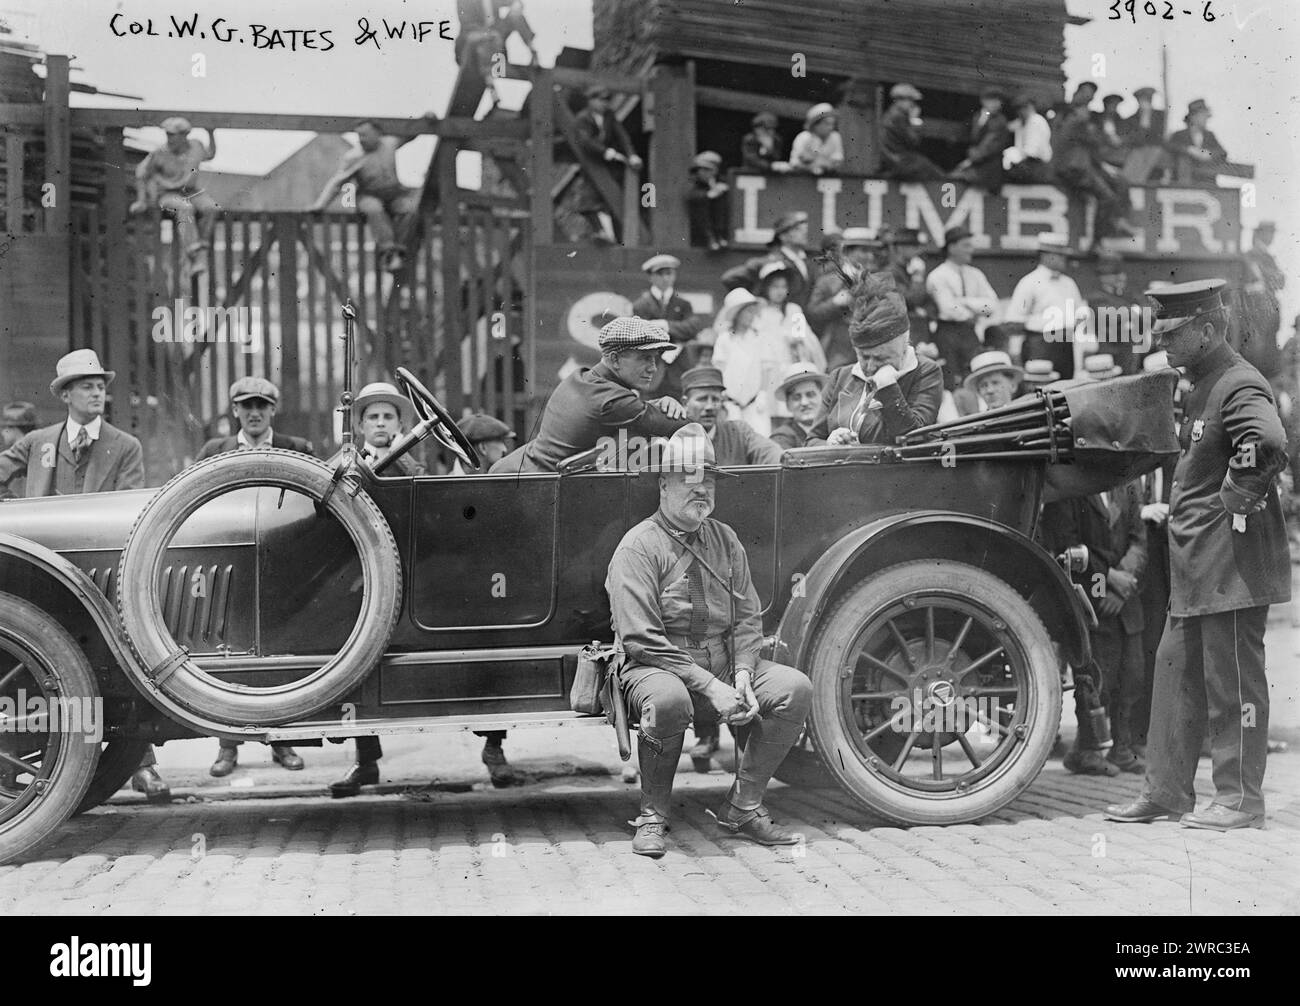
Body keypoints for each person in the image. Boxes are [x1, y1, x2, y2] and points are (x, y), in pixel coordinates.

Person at [1106, 279, 1291, 831]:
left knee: (1231, 683)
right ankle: (1165, 792)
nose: (1163, 342)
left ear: (1208, 331)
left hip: (1230, 565)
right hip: (1196, 568)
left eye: (1174, 333)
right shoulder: (1200, 383)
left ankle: (1239, 800)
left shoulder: (1237, 385)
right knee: (1173, 676)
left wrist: (1233, 501)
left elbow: (1269, 443)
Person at [605, 423, 811, 856]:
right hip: (656, 668)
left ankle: (744, 806)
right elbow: (640, 639)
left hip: (721, 666)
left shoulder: (725, 539)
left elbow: (747, 617)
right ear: (663, 485)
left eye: (710, 481)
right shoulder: (638, 547)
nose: (702, 491)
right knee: (667, 702)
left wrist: (740, 675)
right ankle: (652, 815)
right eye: (689, 479)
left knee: (794, 688)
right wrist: (709, 686)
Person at [0, 351, 166, 803]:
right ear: (67, 394)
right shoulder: (39, 442)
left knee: (122, 666)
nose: (98, 393)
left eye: (100, 385)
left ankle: (142, 766)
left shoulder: (123, 445)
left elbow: (134, 507)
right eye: (88, 386)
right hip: (41, 576)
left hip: (102, 571)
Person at [199, 377, 311, 777]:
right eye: (247, 405)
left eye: (262, 405)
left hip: (283, 562)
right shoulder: (214, 452)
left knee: (283, 653)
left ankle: (284, 743)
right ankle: (227, 747)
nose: (255, 412)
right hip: (234, 562)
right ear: (234, 411)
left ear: (273, 409)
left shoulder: (297, 449)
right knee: (230, 654)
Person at [491, 317, 687, 474]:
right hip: (533, 491)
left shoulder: (582, 378)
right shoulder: (613, 401)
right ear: (615, 359)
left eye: (654, 359)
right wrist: (668, 407)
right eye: (645, 358)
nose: (653, 368)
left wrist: (658, 403)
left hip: (513, 472)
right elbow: (685, 426)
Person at [811, 272, 944, 445]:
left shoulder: (925, 372)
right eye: (864, 357)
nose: (871, 366)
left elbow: (914, 438)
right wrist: (830, 444)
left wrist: (888, 387)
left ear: (904, 345)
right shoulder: (840, 377)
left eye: (882, 358)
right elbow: (811, 440)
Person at [309, 120, 421, 273]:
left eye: (365, 135)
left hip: (393, 193)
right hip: (369, 194)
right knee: (373, 208)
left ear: (377, 134)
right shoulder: (353, 156)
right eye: (359, 135)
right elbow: (337, 182)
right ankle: (388, 252)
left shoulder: (390, 143)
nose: (361, 139)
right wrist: (321, 204)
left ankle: (400, 250)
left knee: (408, 208)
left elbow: (410, 134)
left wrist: (426, 119)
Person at [130, 117, 217, 273]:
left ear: (184, 135)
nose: (169, 138)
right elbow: (141, 173)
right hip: (168, 194)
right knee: (185, 208)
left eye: (172, 135)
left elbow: (210, 154)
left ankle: (202, 245)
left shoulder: (196, 146)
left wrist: (211, 134)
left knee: (211, 207)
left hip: (191, 191)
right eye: (167, 134)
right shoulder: (160, 153)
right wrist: (142, 200)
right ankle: (194, 255)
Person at [1005, 232, 1088, 381]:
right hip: (1040, 345)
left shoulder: (1069, 283)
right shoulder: (1029, 282)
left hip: (1065, 346)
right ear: (1045, 255)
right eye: (1060, 255)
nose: (1064, 259)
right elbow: (1014, 321)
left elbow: (1080, 314)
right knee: (1040, 391)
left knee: (1065, 391)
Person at [1052, 94, 1135, 242]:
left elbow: (1092, 149)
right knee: (1107, 197)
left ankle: (1119, 220)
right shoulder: (1075, 124)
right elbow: (1096, 142)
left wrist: (1104, 166)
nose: (1087, 113)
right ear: (1075, 111)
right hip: (1076, 171)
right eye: (1084, 109)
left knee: (1120, 181)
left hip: (1081, 168)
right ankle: (1098, 241)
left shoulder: (1072, 125)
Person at [925, 227, 1000, 389]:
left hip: (970, 333)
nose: (970, 250)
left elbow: (992, 305)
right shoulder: (938, 276)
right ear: (952, 248)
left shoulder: (976, 274)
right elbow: (948, 309)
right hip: (947, 334)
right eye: (966, 245)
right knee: (951, 383)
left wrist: (964, 301)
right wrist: (974, 307)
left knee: (974, 376)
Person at [754, 262, 827, 424]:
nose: (779, 291)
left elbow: (805, 339)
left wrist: (796, 339)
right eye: (774, 286)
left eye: (783, 286)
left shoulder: (793, 310)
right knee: (770, 414)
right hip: (768, 369)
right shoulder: (760, 312)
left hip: (791, 364)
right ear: (766, 288)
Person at [569, 85, 642, 244]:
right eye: (601, 100)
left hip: (608, 166)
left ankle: (614, 236)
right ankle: (600, 231)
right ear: (591, 101)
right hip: (592, 164)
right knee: (586, 201)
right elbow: (586, 141)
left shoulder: (609, 116)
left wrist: (632, 155)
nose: (605, 104)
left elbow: (622, 136)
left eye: (607, 100)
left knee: (612, 200)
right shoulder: (582, 119)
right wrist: (606, 152)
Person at [631, 253, 708, 400]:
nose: (666, 278)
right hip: (651, 371)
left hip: (679, 371)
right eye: (660, 274)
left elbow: (692, 328)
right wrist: (677, 332)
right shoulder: (641, 305)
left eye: (669, 273)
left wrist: (665, 325)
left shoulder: (683, 304)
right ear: (651, 277)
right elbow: (641, 336)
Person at [806, 228, 882, 370]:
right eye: (863, 251)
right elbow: (812, 314)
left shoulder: (877, 281)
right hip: (837, 354)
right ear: (847, 252)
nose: (869, 256)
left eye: (871, 252)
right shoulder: (828, 281)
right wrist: (835, 303)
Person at [679, 365, 782, 467]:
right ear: (685, 403)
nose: (709, 406)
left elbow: (769, 452)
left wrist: (785, 459)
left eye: (715, 399)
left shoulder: (739, 432)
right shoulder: (676, 438)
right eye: (702, 399)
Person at [710, 288, 772, 435]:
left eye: (753, 311)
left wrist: (762, 393)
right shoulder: (725, 339)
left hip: (754, 404)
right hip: (730, 404)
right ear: (737, 314)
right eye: (747, 312)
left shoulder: (759, 338)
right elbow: (718, 369)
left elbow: (766, 368)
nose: (751, 316)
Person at [1086, 249, 1149, 375]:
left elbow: (1147, 311)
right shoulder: (1096, 297)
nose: (1121, 277)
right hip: (1111, 353)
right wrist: (1134, 311)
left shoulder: (1126, 294)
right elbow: (1113, 315)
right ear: (1103, 277)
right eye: (1115, 274)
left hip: (1131, 352)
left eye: (1120, 273)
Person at [950, 87, 1012, 193]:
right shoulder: (977, 116)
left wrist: (969, 160)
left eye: (999, 100)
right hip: (975, 164)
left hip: (989, 170)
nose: (996, 103)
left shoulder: (1000, 121)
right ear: (983, 100)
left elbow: (990, 146)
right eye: (992, 99)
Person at [881, 226, 935, 347]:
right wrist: (918, 277)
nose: (918, 251)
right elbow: (909, 300)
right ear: (900, 247)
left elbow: (929, 301)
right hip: (901, 335)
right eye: (914, 246)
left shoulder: (909, 269)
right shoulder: (890, 272)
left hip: (917, 332)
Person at [879, 83, 945, 181]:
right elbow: (913, 141)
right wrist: (914, 120)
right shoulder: (898, 117)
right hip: (897, 161)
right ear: (899, 100)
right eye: (910, 100)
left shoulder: (891, 114)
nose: (913, 104)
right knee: (928, 168)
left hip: (893, 159)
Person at [1165, 99, 1227, 185]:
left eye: (1206, 116)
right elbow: (1170, 146)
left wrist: (1208, 154)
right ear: (1193, 117)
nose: (1205, 120)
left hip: (1206, 184)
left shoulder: (1209, 135)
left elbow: (1222, 152)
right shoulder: (1179, 135)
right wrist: (1189, 150)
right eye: (1202, 116)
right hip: (1183, 185)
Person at [769, 363, 829, 449]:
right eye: (796, 398)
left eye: (810, 395)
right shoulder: (782, 438)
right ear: (788, 405)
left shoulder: (834, 429)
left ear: (823, 397)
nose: (804, 402)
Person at [1003, 94, 1054, 184]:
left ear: (1030, 107)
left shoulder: (1036, 120)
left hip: (1037, 165)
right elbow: (1007, 127)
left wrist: (1012, 156)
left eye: (1023, 108)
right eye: (1018, 109)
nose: (1020, 112)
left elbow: (1031, 151)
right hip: (1027, 163)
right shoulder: (1022, 121)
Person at [1120, 86, 1168, 183]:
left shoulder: (1160, 116)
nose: (1145, 102)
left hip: (1156, 150)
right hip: (1139, 149)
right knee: (1137, 155)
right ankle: (1131, 183)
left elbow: (1159, 136)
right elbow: (1137, 139)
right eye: (1142, 99)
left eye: (1148, 99)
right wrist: (1144, 121)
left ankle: (1136, 183)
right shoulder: (1132, 119)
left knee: (1152, 152)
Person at [685, 152, 730, 251]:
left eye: (707, 170)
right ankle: (711, 238)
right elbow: (691, 196)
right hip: (700, 234)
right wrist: (708, 195)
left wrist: (721, 190)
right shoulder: (694, 183)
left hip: (721, 225)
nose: (702, 173)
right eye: (700, 170)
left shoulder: (723, 182)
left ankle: (721, 236)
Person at [788, 103, 844, 176]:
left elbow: (837, 162)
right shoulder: (803, 137)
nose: (831, 128)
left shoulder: (835, 137)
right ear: (815, 125)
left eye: (832, 124)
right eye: (827, 124)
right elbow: (794, 163)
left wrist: (820, 163)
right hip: (802, 180)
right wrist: (812, 166)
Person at [0, 402, 37, 499]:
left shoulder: (15, 457)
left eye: (4, 427)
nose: (2, 433)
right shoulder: (38, 449)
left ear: (13, 428)